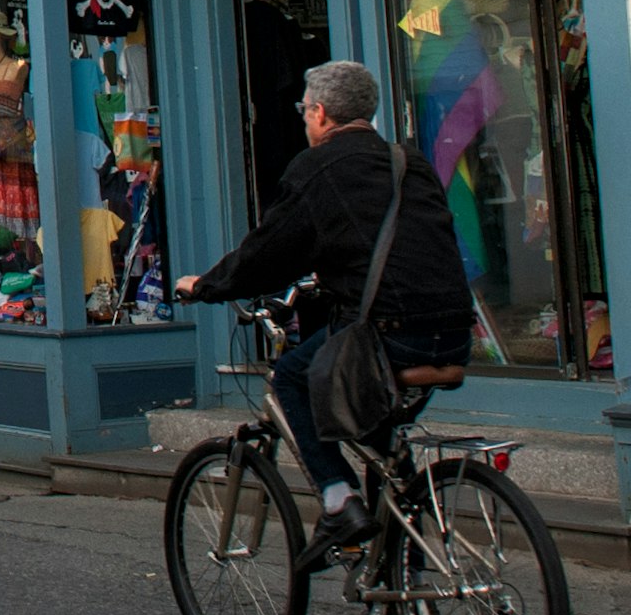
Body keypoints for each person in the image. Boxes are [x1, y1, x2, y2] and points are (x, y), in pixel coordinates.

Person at [179, 59, 476, 565]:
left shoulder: (316, 167)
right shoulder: (409, 162)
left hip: (390, 334)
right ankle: (398, 561)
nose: (304, 119)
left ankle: (339, 504)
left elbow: (269, 252)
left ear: (318, 113)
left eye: (304, 111)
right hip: (452, 329)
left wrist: (207, 286)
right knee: (375, 434)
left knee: (292, 378)